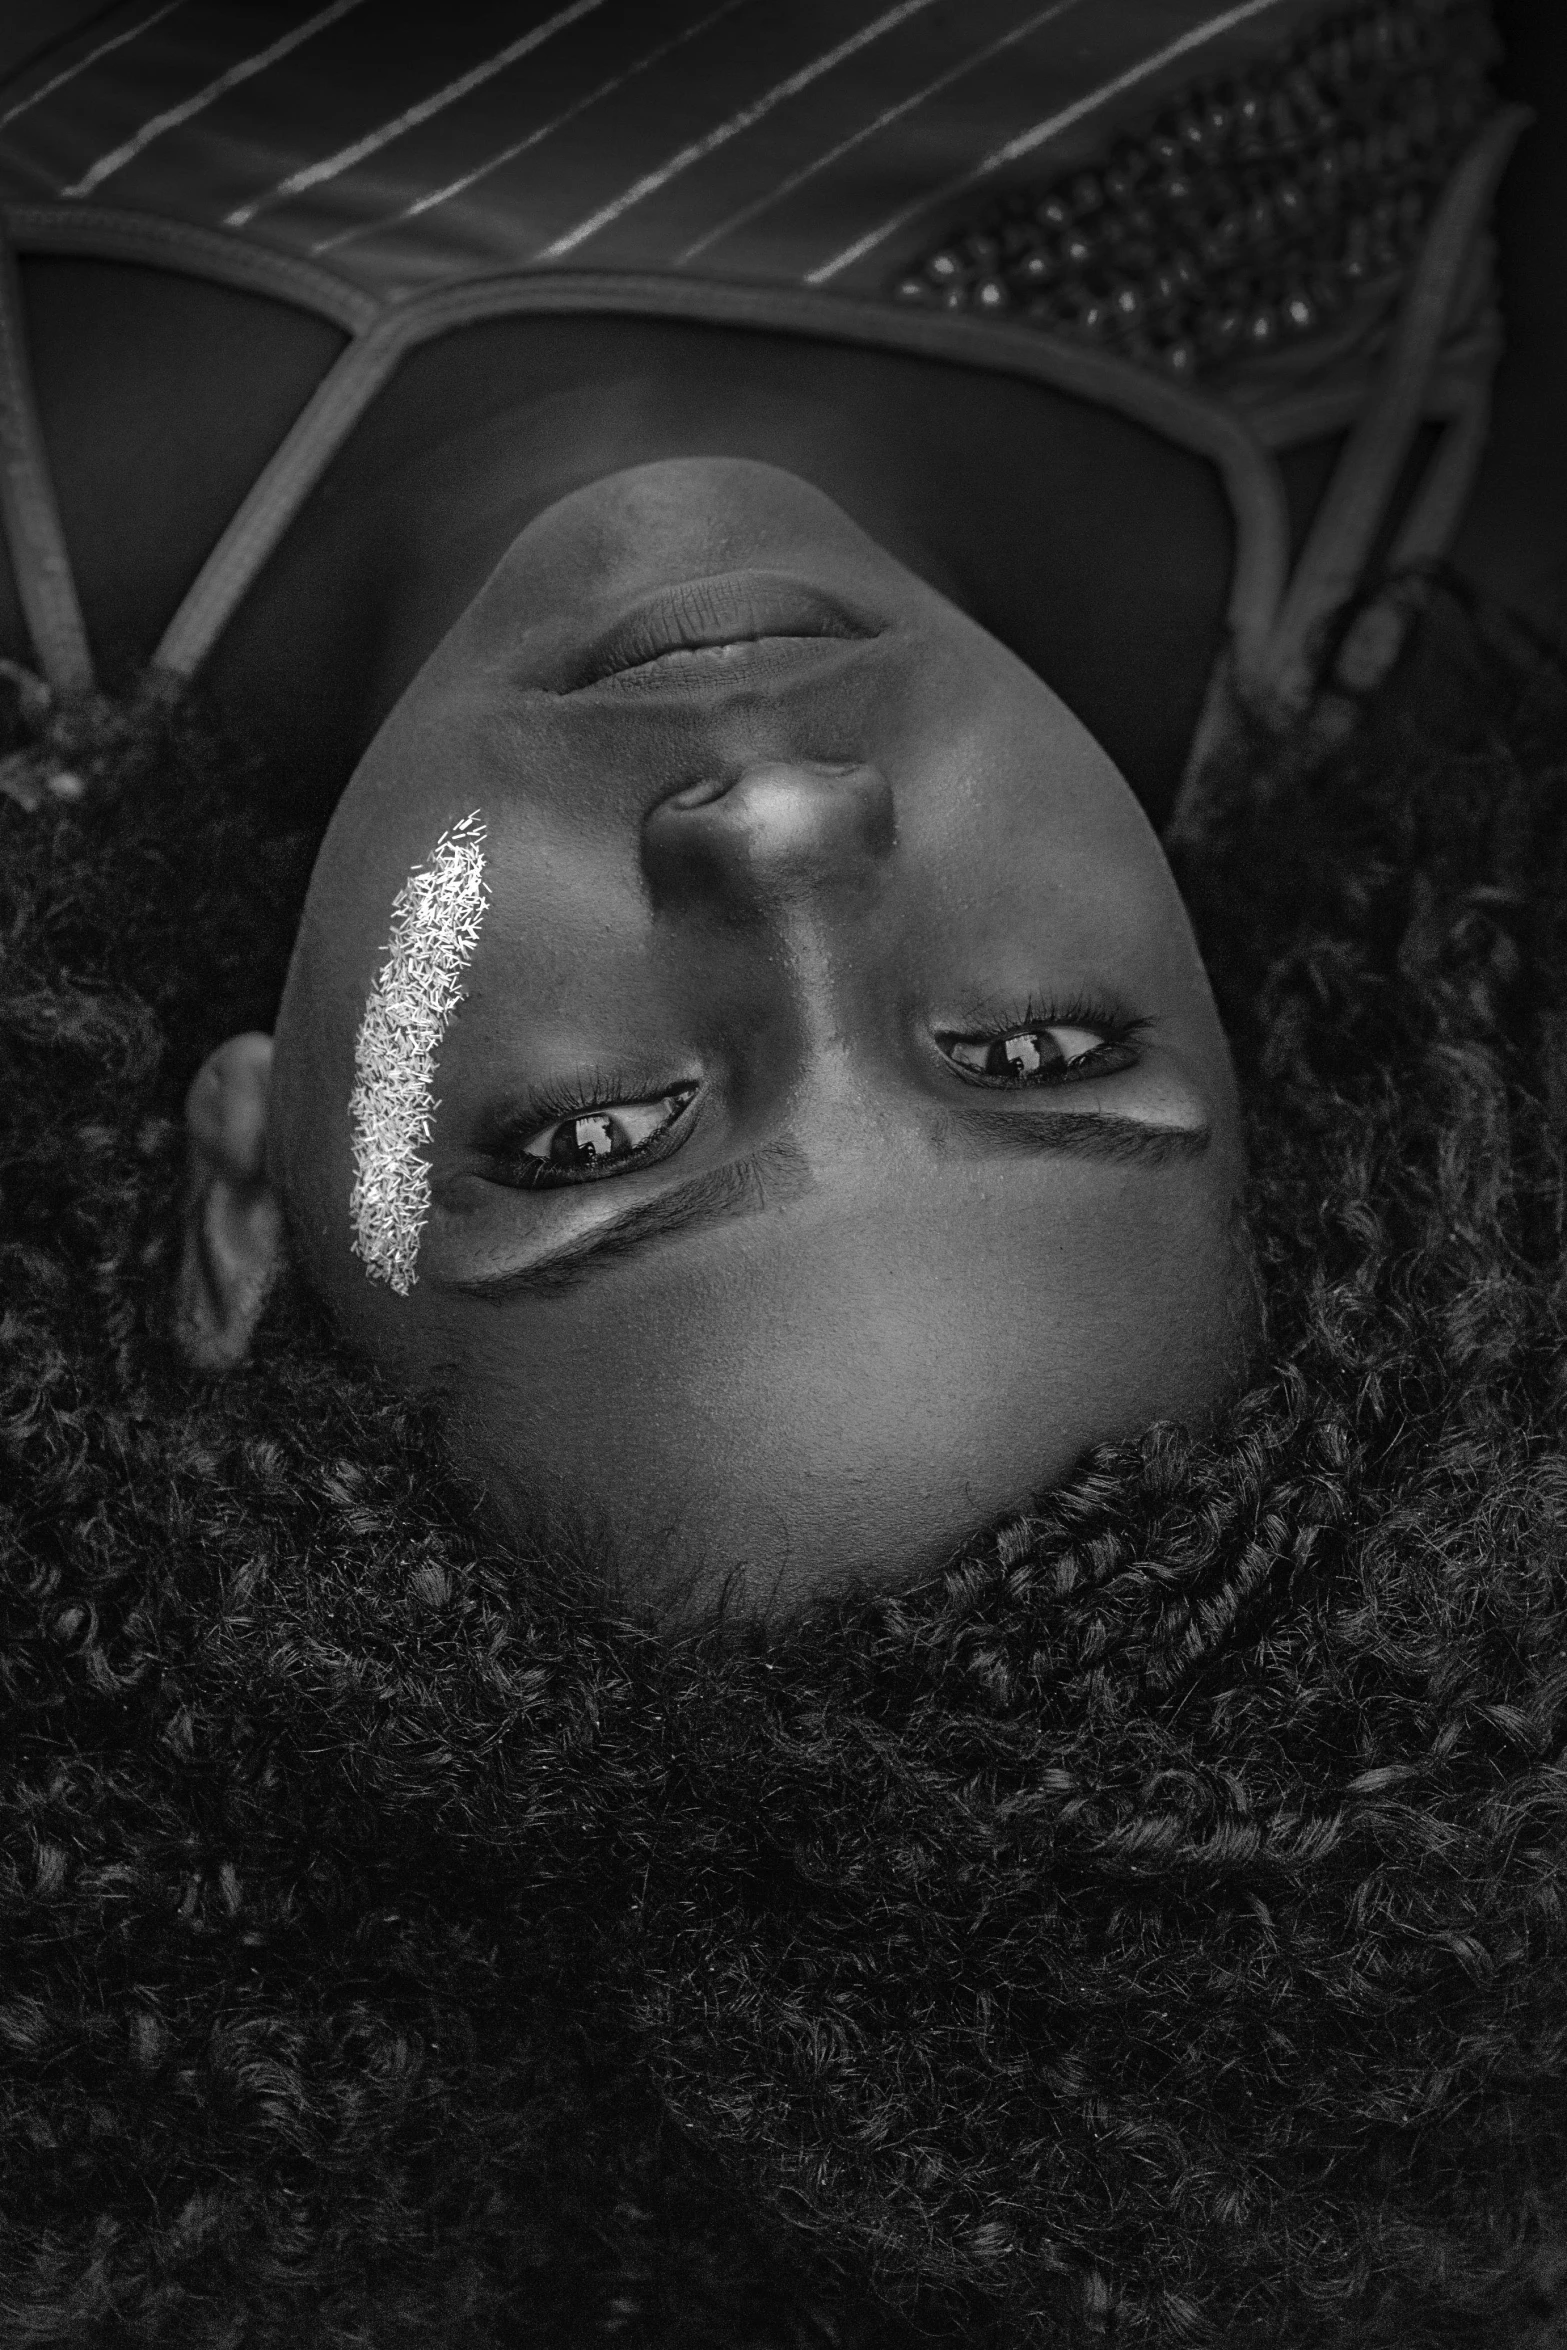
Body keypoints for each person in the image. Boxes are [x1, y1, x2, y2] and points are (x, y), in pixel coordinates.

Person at [5, 3, 1567, 2343]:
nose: (788, 844)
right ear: (1272, 1089)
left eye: (597, 1138)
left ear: (249, 1203)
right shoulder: (1426, 507)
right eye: (1038, 1048)